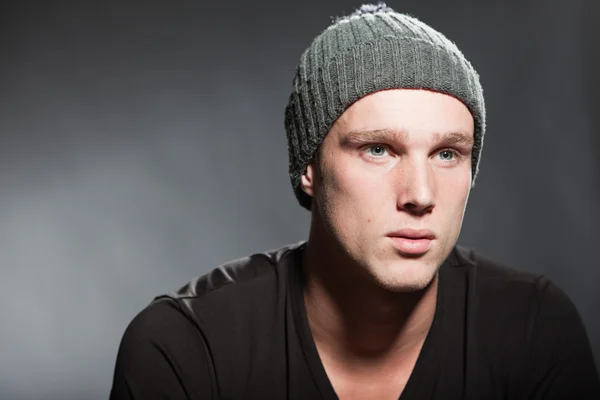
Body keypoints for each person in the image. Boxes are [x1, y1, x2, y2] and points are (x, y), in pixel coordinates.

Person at [109, 3, 600, 399]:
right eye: (378, 149)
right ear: (309, 168)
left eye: (447, 153)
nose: (421, 195)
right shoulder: (187, 349)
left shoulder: (535, 332)